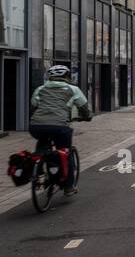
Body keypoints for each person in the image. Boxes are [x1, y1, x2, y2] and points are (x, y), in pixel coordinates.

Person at [29, 64, 92, 195]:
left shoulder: (40, 88)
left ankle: (38, 169)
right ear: (67, 76)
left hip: (36, 126)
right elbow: (84, 108)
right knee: (65, 152)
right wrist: (86, 117)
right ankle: (69, 187)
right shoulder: (73, 89)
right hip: (59, 126)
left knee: (42, 143)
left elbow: (33, 107)